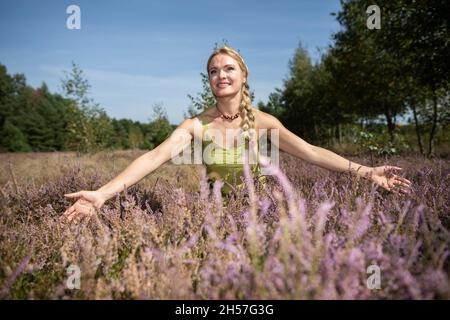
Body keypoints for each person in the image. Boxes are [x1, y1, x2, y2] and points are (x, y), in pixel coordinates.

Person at [62, 45, 412, 223]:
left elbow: (314, 153)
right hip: (213, 215)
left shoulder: (265, 123)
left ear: (244, 76)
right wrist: (102, 194)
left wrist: (367, 172)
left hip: (264, 212)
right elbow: (153, 157)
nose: (220, 75)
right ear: (209, 80)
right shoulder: (194, 126)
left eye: (228, 68)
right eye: (213, 71)